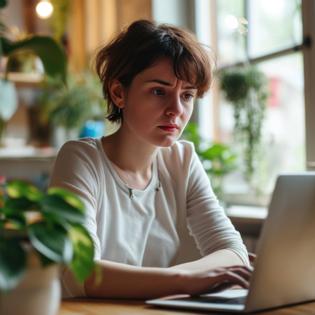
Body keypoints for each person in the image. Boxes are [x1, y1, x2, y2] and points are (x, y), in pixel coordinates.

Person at [50, 19, 252, 299]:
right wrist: (183, 280)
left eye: (188, 95)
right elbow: (81, 272)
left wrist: (182, 279)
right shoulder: (81, 159)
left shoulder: (182, 160)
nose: (176, 110)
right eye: (159, 91)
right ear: (118, 93)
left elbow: (233, 253)